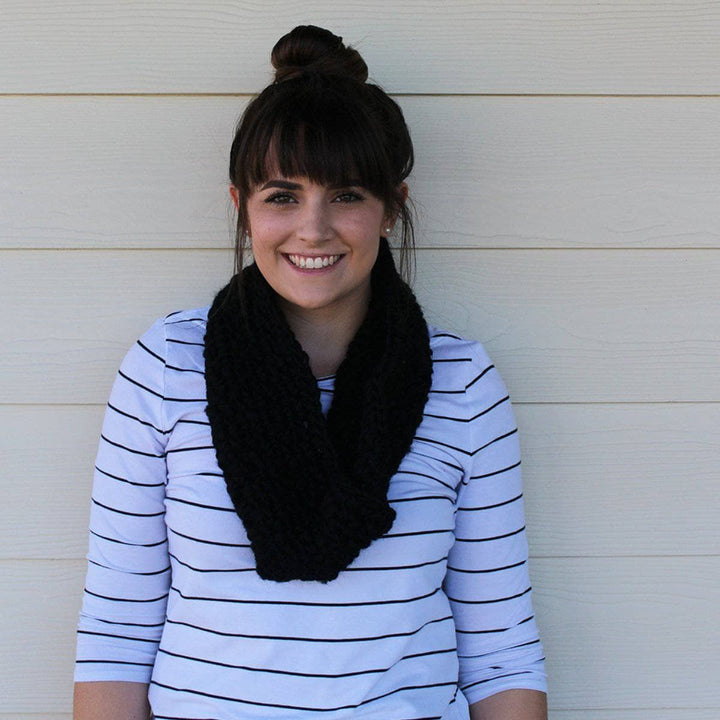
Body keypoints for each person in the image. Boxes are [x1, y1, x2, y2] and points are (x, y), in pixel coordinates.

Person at [73, 25, 548, 720]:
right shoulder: (168, 367)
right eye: (282, 196)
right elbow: (116, 629)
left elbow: (502, 646)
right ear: (242, 205)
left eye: (348, 195)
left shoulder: (463, 385)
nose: (314, 229)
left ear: (392, 207)